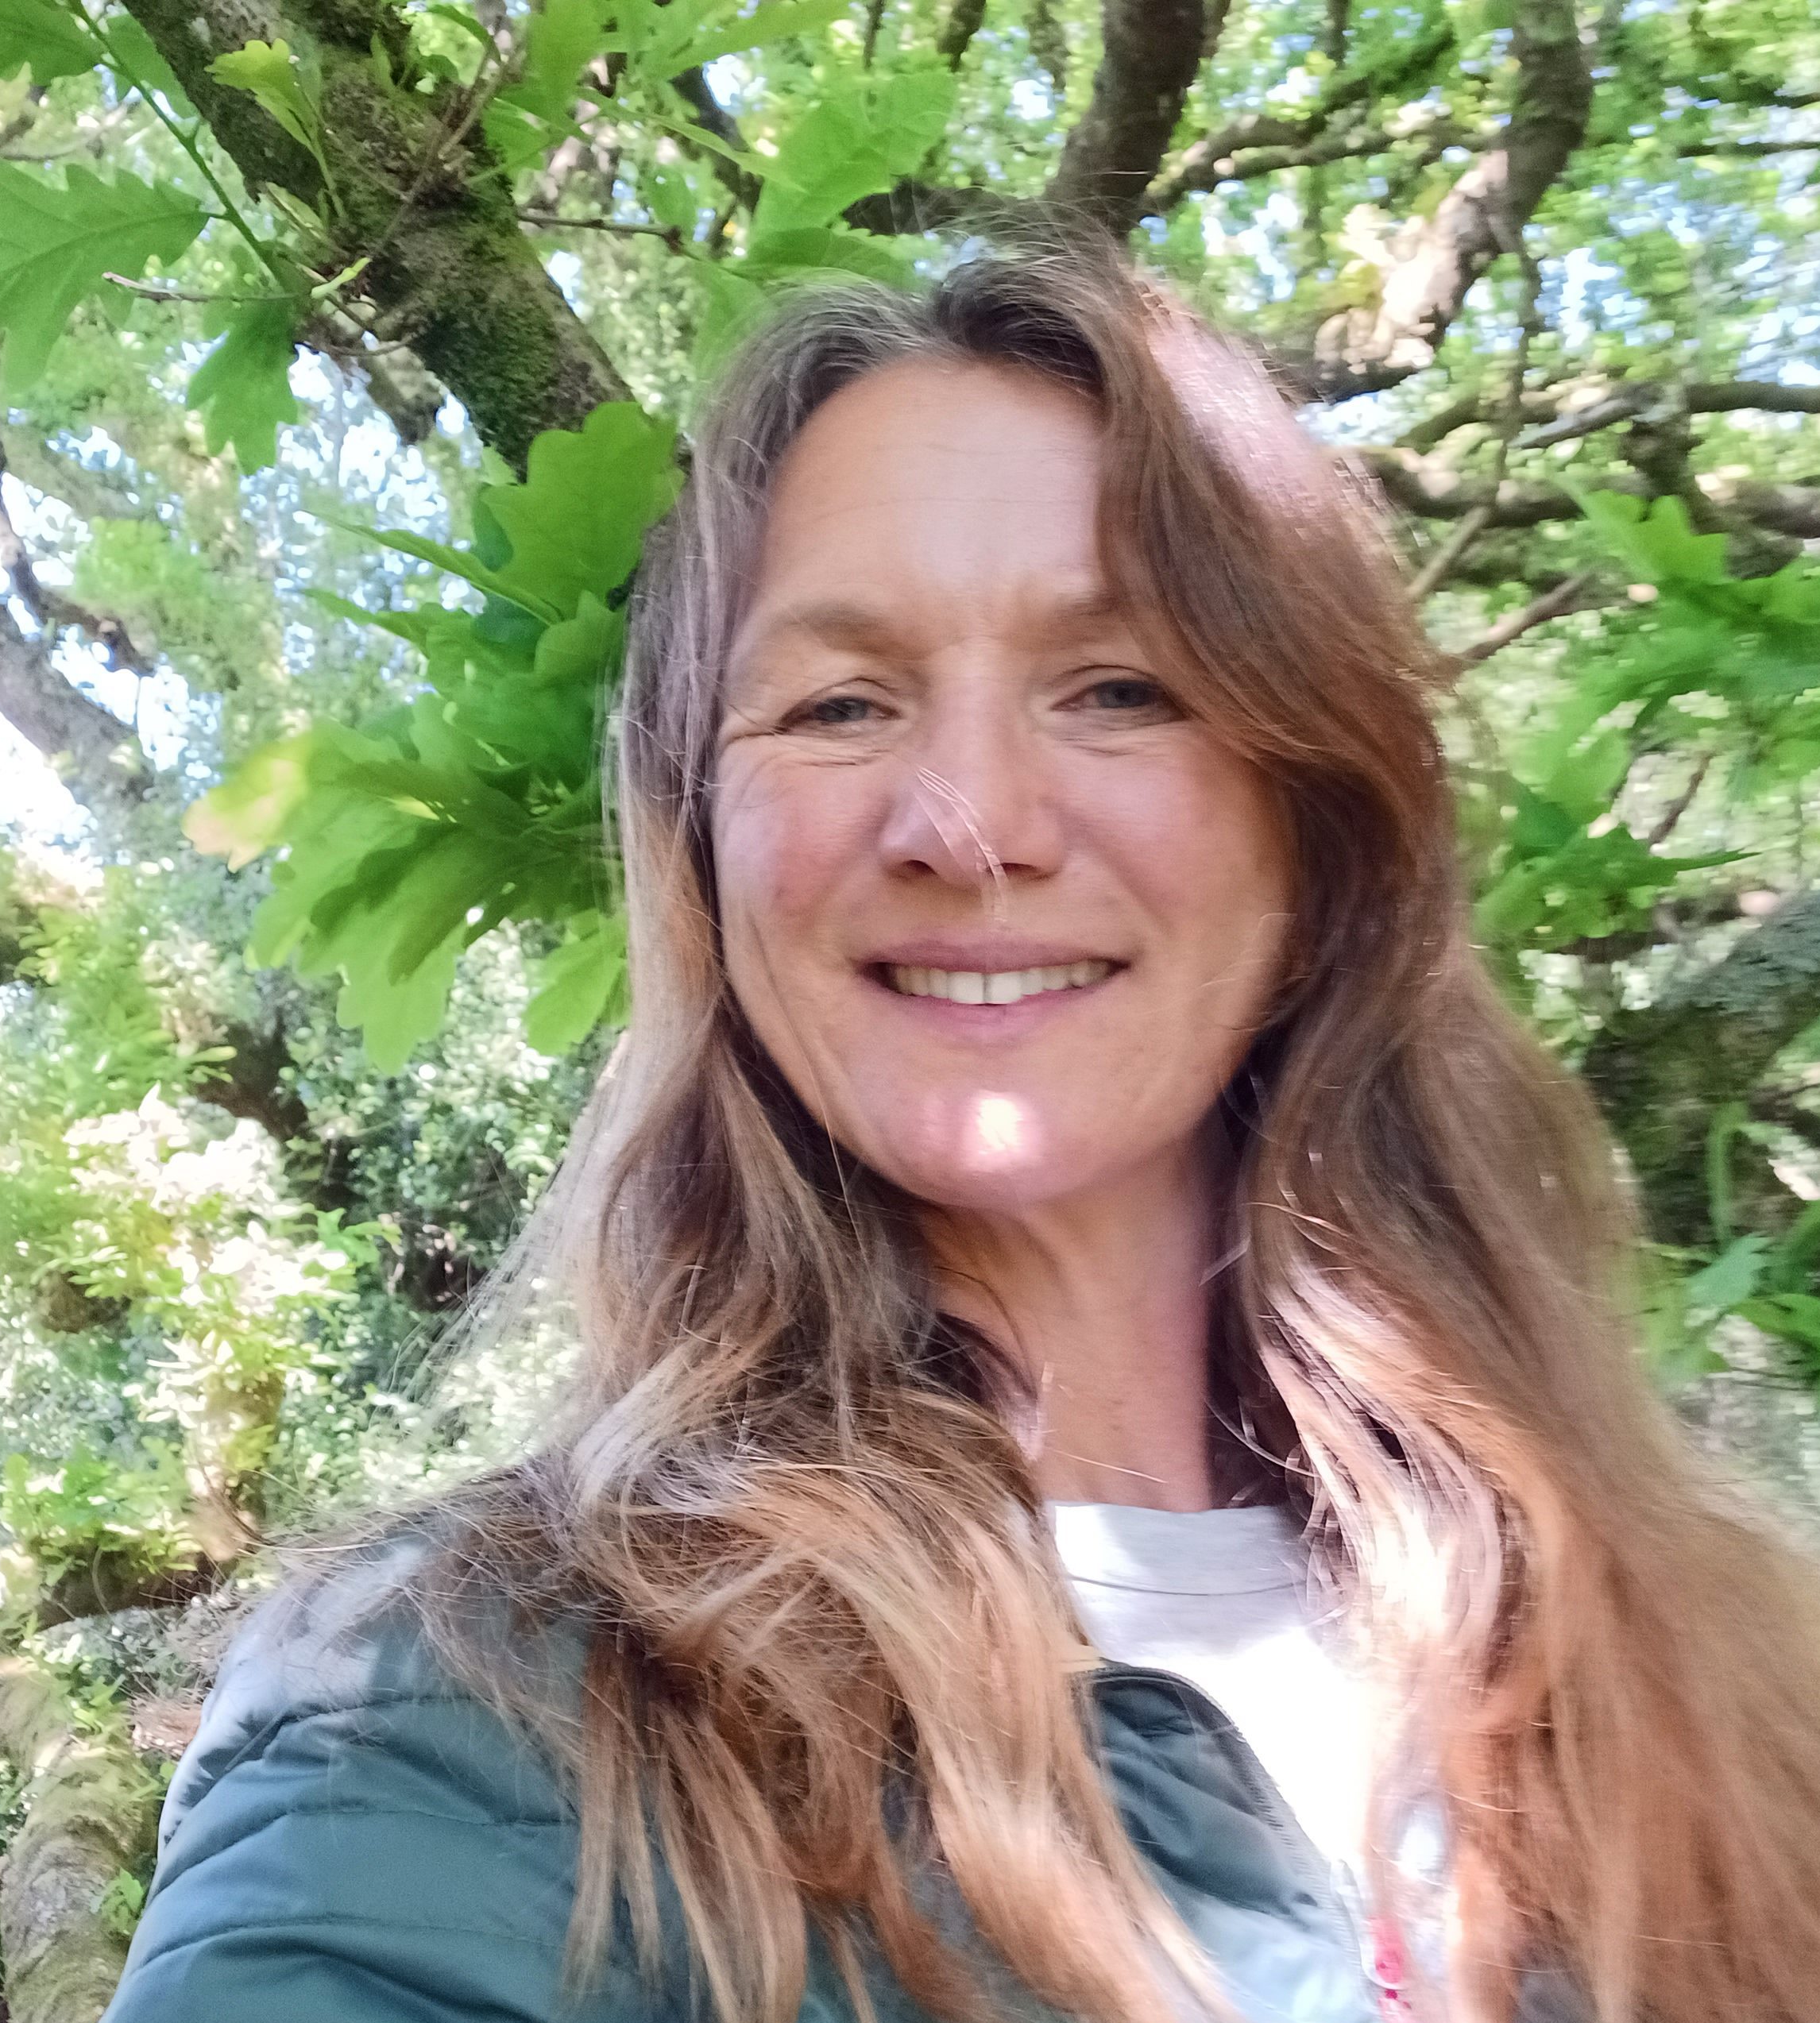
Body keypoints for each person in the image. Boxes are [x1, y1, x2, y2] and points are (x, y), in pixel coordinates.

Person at [101, 242, 1820, 2023]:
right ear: (701, 861)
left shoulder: (1725, 1654)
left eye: (1118, 685)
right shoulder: (472, 1711)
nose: (969, 821)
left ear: (1317, 826)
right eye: (839, 703)